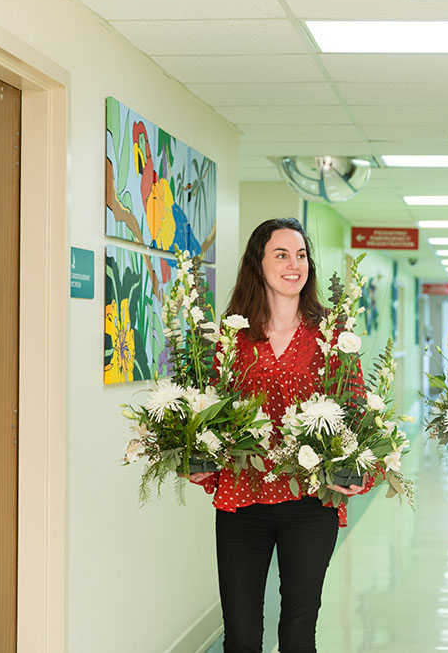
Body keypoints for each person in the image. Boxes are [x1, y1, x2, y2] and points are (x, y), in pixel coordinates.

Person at [191, 217, 369, 653]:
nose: (295, 265)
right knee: (241, 636)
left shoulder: (332, 334)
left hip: (310, 503)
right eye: (282, 254)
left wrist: (361, 467)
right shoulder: (233, 337)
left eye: (302, 255)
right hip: (241, 500)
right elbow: (208, 410)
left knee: (297, 635)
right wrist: (197, 457)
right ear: (259, 263)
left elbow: (356, 409)